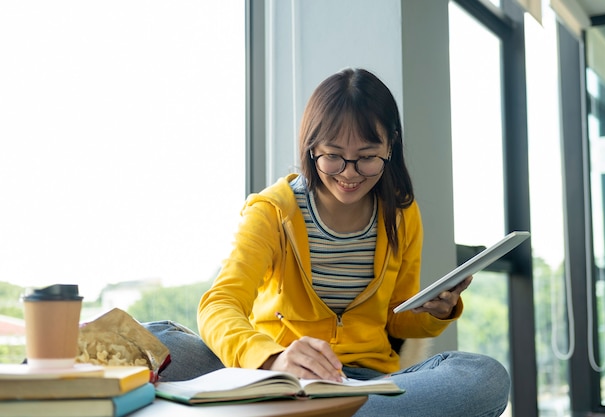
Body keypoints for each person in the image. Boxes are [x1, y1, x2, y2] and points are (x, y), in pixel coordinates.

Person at [146, 68, 510, 417]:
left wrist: (438, 312)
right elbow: (220, 304)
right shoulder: (273, 211)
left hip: (368, 381)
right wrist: (273, 360)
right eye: (333, 157)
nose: (349, 174)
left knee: (484, 376)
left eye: (367, 158)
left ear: (390, 145)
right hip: (275, 375)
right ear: (311, 147)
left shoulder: (400, 213)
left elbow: (397, 321)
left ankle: (304, 412)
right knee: (157, 339)